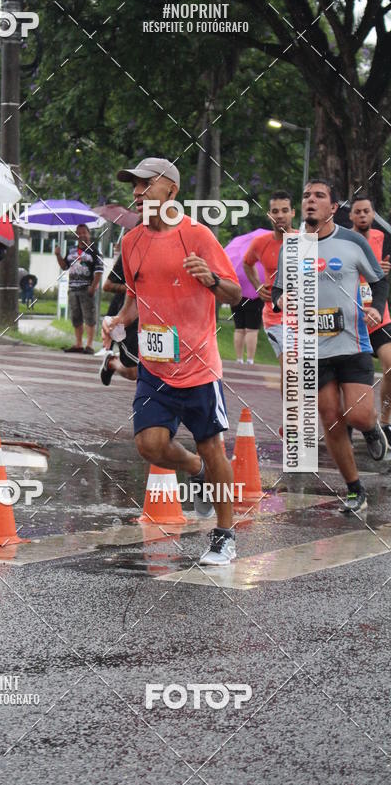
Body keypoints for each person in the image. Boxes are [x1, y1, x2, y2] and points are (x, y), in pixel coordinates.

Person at [104, 157, 242, 565]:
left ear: (171, 191)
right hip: (155, 366)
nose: (137, 192)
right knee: (150, 445)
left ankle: (224, 534)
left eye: (146, 184)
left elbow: (235, 294)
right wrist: (118, 319)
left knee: (214, 446)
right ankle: (196, 471)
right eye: (134, 185)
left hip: (199, 367)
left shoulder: (197, 236)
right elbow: (134, 298)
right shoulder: (130, 243)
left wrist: (211, 279)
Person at [272, 179, 388, 514]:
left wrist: (377, 307)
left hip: (351, 342)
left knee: (359, 412)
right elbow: (278, 291)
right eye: (306, 195)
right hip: (313, 348)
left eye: (319, 196)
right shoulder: (290, 248)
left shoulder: (352, 242)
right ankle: (354, 490)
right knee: (331, 418)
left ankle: (370, 428)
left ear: (333, 208)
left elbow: (379, 280)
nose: (310, 200)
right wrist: (282, 301)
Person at [244, 192, 296, 395]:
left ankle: (294, 419)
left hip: (302, 315)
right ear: (269, 215)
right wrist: (258, 286)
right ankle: (290, 422)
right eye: (275, 211)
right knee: (290, 367)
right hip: (275, 316)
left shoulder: (305, 241)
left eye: (285, 210)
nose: (280, 215)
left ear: (292, 213)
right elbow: (247, 264)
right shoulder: (260, 242)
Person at [349, 194, 391, 444]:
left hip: (378, 314)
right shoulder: (343, 239)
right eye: (358, 212)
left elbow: (384, 271)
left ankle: (385, 420)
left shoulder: (382, 238)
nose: (363, 215)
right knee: (351, 375)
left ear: (373, 214)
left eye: (367, 211)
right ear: (351, 216)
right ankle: (355, 420)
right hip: (352, 317)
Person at [55, 223, 103, 354]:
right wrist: (58, 255)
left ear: (89, 234)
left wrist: (93, 287)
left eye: (84, 232)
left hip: (86, 288)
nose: (82, 235)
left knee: (89, 317)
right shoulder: (71, 250)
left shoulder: (95, 251)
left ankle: (89, 345)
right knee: (76, 317)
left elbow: (99, 271)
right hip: (73, 289)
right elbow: (64, 266)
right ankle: (78, 344)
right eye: (79, 232)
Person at [100, 243, 139, 384]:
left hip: (158, 319)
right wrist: (133, 289)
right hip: (132, 318)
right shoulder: (131, 250)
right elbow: (107, 285)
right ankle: (112, 363)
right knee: (135, 372)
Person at [230, 291, 263, 365]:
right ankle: (250, 360)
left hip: (236, 296)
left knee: (239, 330)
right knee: (252, 331)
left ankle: (239, 359)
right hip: (255, 297)